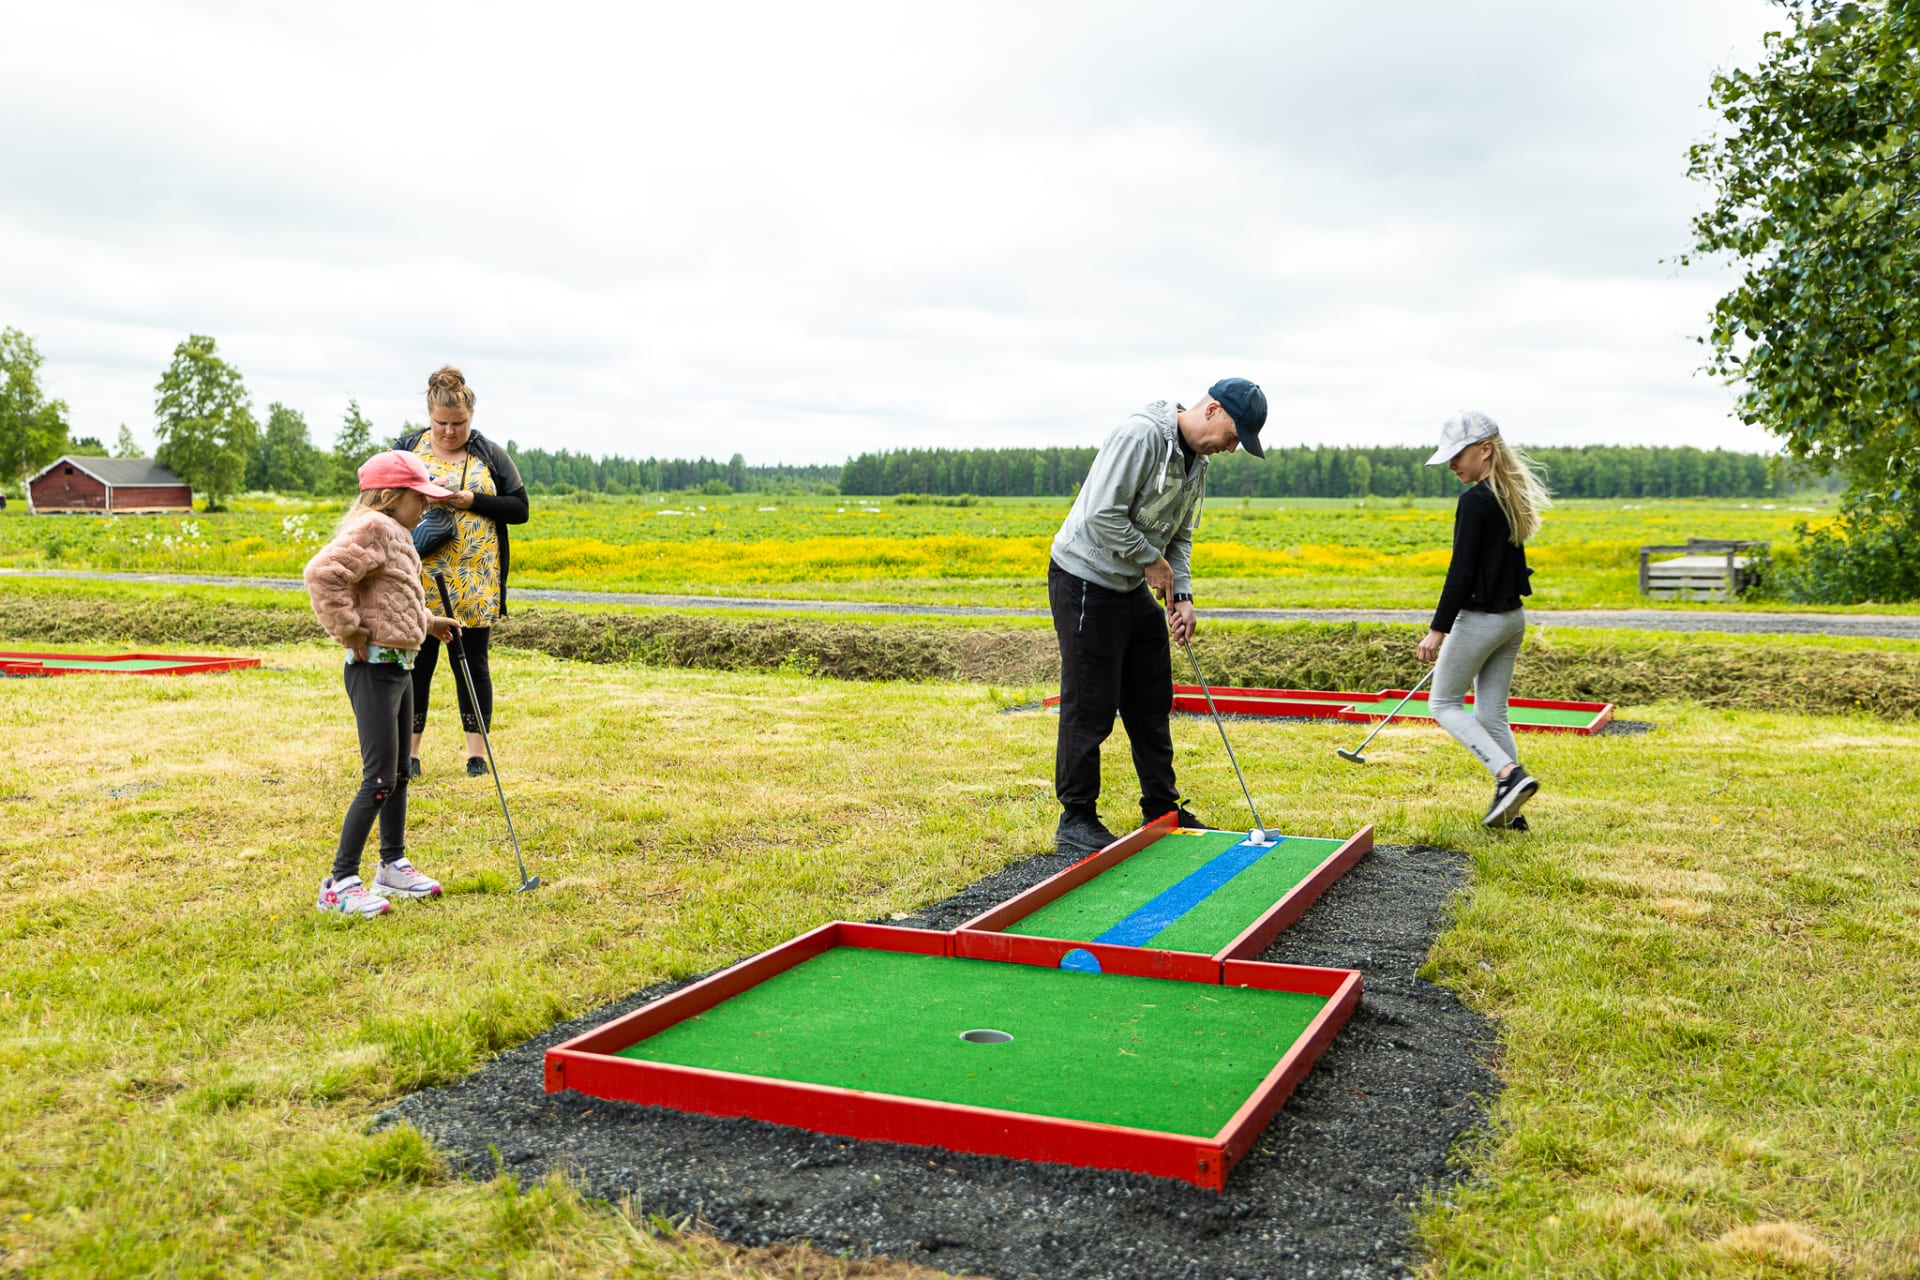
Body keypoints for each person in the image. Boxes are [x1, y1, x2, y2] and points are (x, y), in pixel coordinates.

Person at [1047, 378, 1268, 856]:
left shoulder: (1198, 463)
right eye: (1234, 436)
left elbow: (1181, 535)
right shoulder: (1140, 436)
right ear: (1212, 410)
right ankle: (1077, 816)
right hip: (1085, 577)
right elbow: (1101, 514)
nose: (1232, 448)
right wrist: (1152, 560)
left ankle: (1161, 807)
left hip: (1127, 583)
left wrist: (1182, 592)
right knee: (1091, 703)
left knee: (1151, 697)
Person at [303, 450, 462, 917]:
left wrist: (428, 622)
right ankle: (340, 881)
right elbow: (323, 574)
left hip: (400, 664)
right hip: (373, 667)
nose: (426, 507)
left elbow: (390, 595)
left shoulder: (399, 534)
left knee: (397, 774)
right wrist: (348, 629)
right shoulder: (374, 527)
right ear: (392, 496)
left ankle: (392, 864)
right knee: (376, 777)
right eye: (420, 498)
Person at [1415, 410, 1553, 829]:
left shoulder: (1474, 501)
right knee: (1492, 715)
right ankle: (1514, 813)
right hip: (1512, 619)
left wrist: (1437, 631)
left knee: (1443, 704)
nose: (1453, 464)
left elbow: (1461, 571)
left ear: (1486, 449)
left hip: (1481, 620)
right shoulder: (1510, 494)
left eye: (1459, 455)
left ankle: (1509, 775)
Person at [393, 366, 530, 779]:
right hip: (417, 578)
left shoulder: (489, 454)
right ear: (428, 415)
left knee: (472, 664)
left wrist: (473, 501)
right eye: (441, 424)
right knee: (417, 664)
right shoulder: (406, 448)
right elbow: (379, 498)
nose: (450, 432)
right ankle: (410, 755)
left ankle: (476, 756)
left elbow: (520, 509)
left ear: (471, 417)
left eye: (459, 424)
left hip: (475, 580)